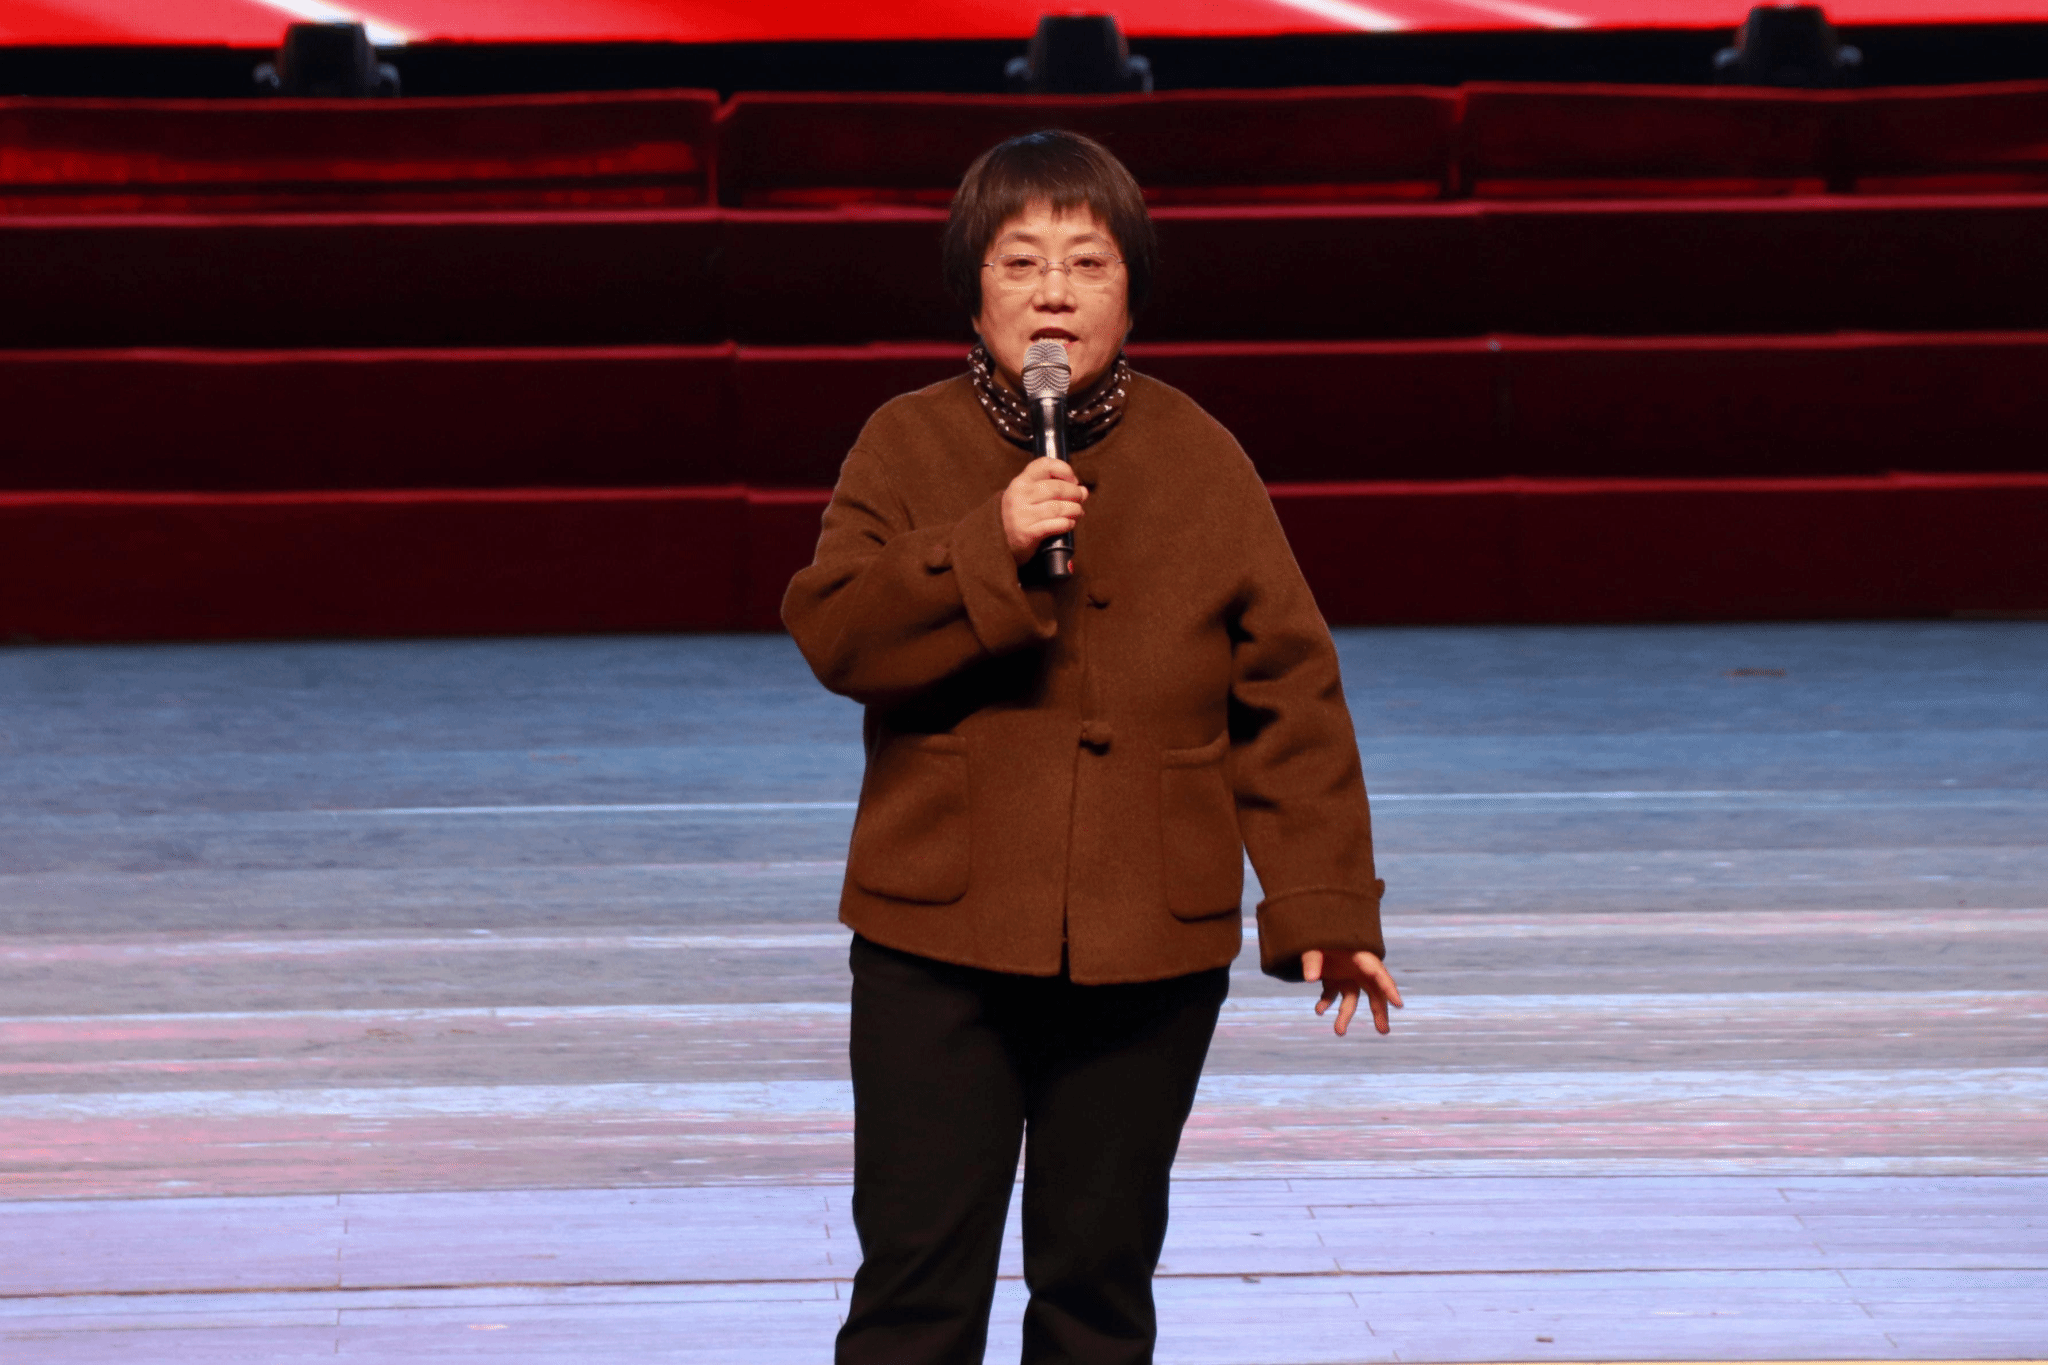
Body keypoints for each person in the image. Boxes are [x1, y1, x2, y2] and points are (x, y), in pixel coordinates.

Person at [782, 129, 1402, 1365]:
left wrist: (1323, 904)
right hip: (936, 937)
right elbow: (836, 632)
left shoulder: (1200, 455)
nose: (1054, 292)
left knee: (1098, 1282)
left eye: (1086, 263)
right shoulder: (904, 442)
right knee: (913, 1282)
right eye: (1020, 263)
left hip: (1145, 942)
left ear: (1131, 292)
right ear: (974, 292)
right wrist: (988, 539)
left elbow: (1288, 691)